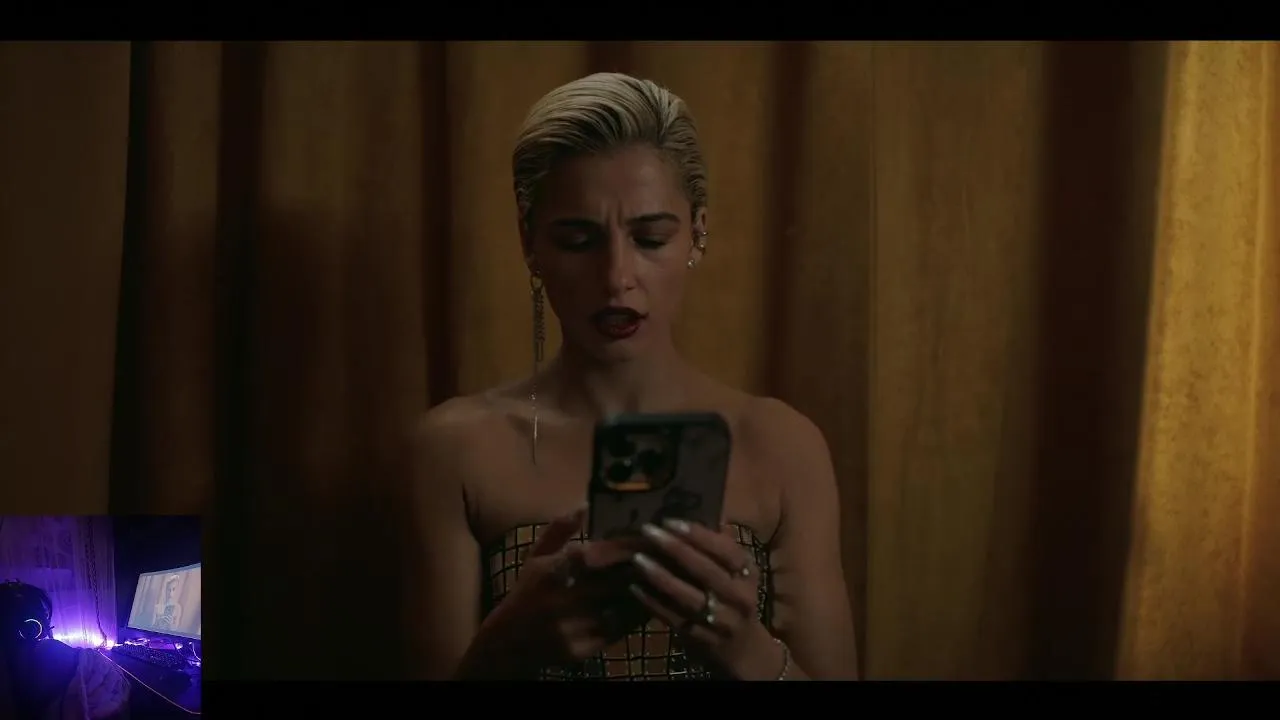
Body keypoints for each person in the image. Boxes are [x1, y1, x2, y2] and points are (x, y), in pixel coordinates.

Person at [408, 72, 859, 681]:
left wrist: (745, 649)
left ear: (697, 232)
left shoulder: (781, 445)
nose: (616, 276)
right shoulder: (457, 449)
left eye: (650, 237)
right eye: (578, 240)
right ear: (529, 241)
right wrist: (507, 649)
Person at [0, 581, 130, 719]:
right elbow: (116, 687)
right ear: (30, 627)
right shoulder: (47, 651)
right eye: (43, 616)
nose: (47, 624)